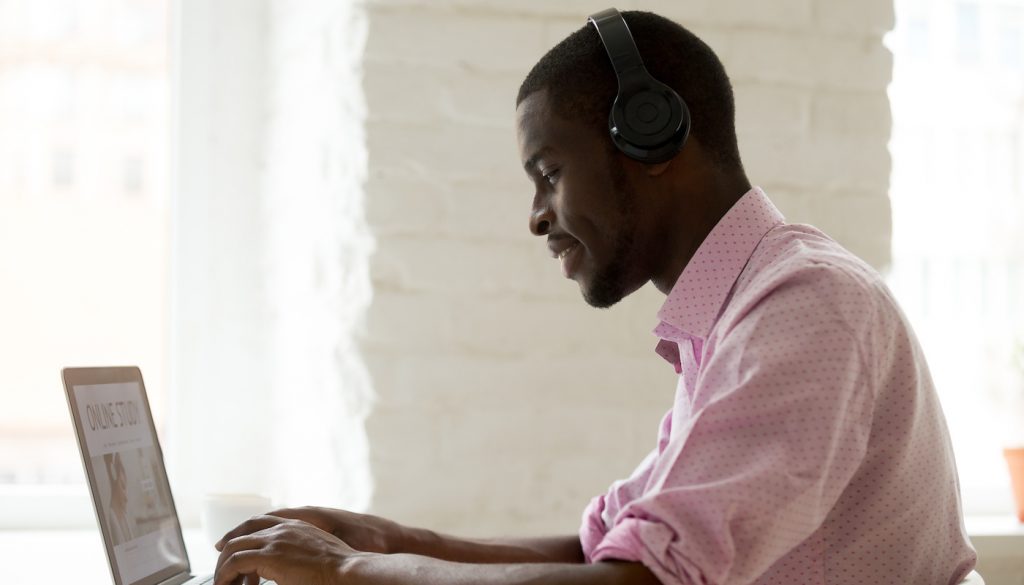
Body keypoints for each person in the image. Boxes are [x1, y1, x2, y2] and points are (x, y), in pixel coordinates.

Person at [213, 9, 977, 585]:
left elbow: (639, 583)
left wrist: (350, 574)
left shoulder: (806, 306)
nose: (537, 215)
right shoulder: (739, 316)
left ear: (652, 136)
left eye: (548, 170)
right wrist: (378, 538)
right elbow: (608, 553)